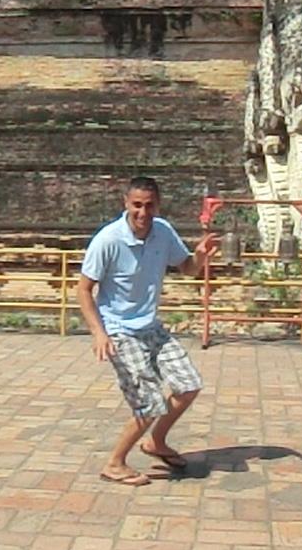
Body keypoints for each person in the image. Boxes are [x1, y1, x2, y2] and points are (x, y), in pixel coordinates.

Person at [78, 177, 219, 486]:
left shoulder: (163, 231)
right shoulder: (108, 240)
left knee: (189, 385)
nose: (143, 212)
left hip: (151, 327)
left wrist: (200, 256)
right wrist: (98, 333)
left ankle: (156, 442)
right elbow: (84, 290)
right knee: (150, 402)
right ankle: (114, 463)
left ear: (158, 205)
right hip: (119, 331)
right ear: (126, 204)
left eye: (149, 205)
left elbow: (187, 268)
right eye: (137, 205)